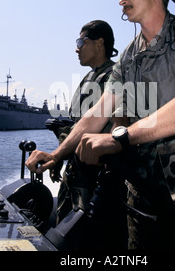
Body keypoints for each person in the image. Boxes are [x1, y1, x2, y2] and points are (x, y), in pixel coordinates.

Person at [27, 0, 175, 250]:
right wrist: (58, 154)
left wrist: (120, 137)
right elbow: (99, 111)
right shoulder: (128, 57)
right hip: (143, 196)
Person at [52, 20, 119, 222]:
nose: (77, 49)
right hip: (76, 172)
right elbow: (78, 124)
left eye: (81, 42)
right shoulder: (90, 77)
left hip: (96, 178)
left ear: (99, 44)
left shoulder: (114, 76)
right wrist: (59, 155)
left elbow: (112, 127)